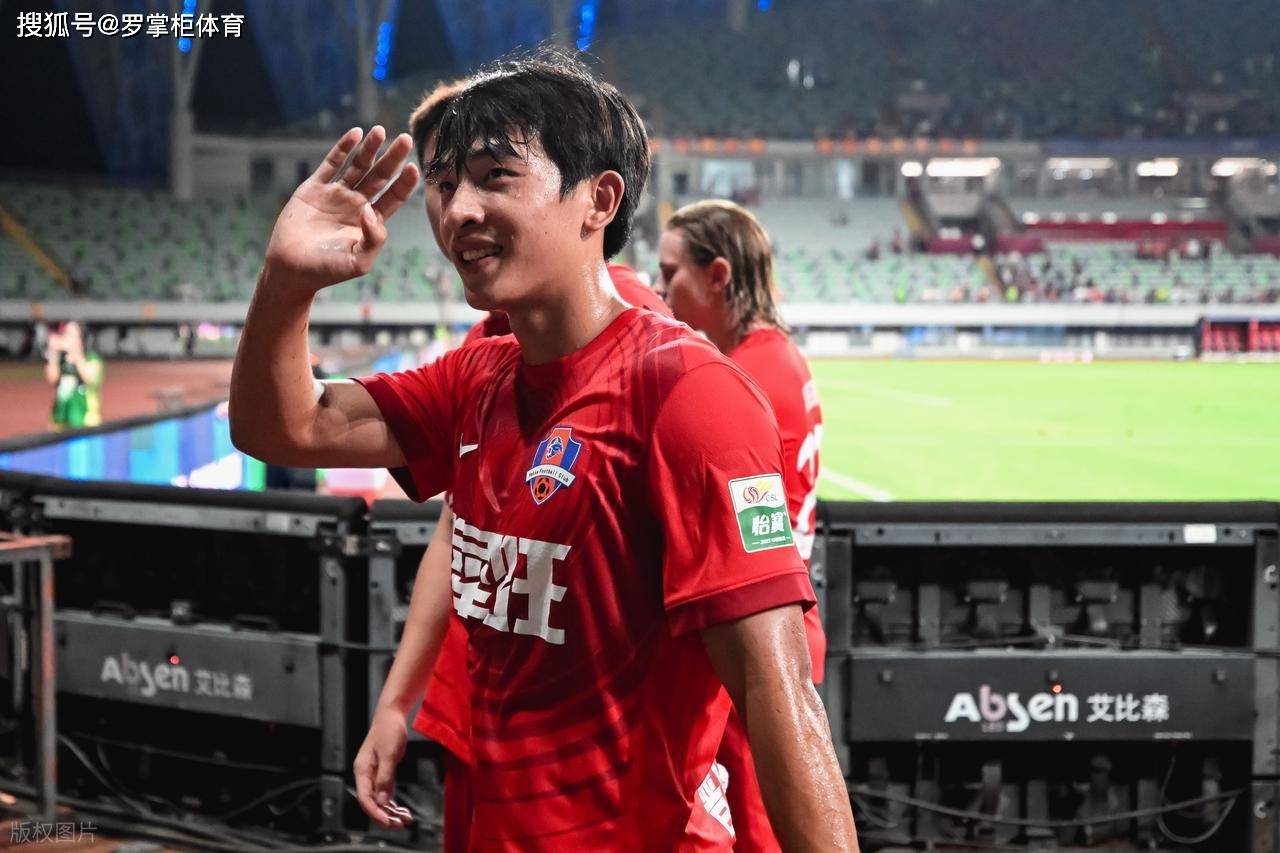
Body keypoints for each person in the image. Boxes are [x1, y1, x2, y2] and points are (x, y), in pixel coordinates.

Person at [229, 50, 857, 850]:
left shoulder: (689, 392)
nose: (458, 210)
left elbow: (780, 694)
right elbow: (282, 427)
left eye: (495, 176)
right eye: (445, 183)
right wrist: (287, 282)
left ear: (600, 198)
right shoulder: (477, 375)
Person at [657, 200, 826, 853]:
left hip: (752, 644)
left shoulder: (745, 377)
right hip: (774, 633)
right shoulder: (779, 359)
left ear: (718, 275)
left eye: (670, 272)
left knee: (762, 836)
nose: (661, 289)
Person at [44, 321, 103, 430]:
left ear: (81, 338)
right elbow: (52, 378)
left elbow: (89, 378)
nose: (67, 338)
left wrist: (76, 354)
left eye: (72, 335)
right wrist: (53, 354)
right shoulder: (62, 360)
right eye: (66, 334)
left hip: (84, 418)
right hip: (61, 417)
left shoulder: (91, 359)